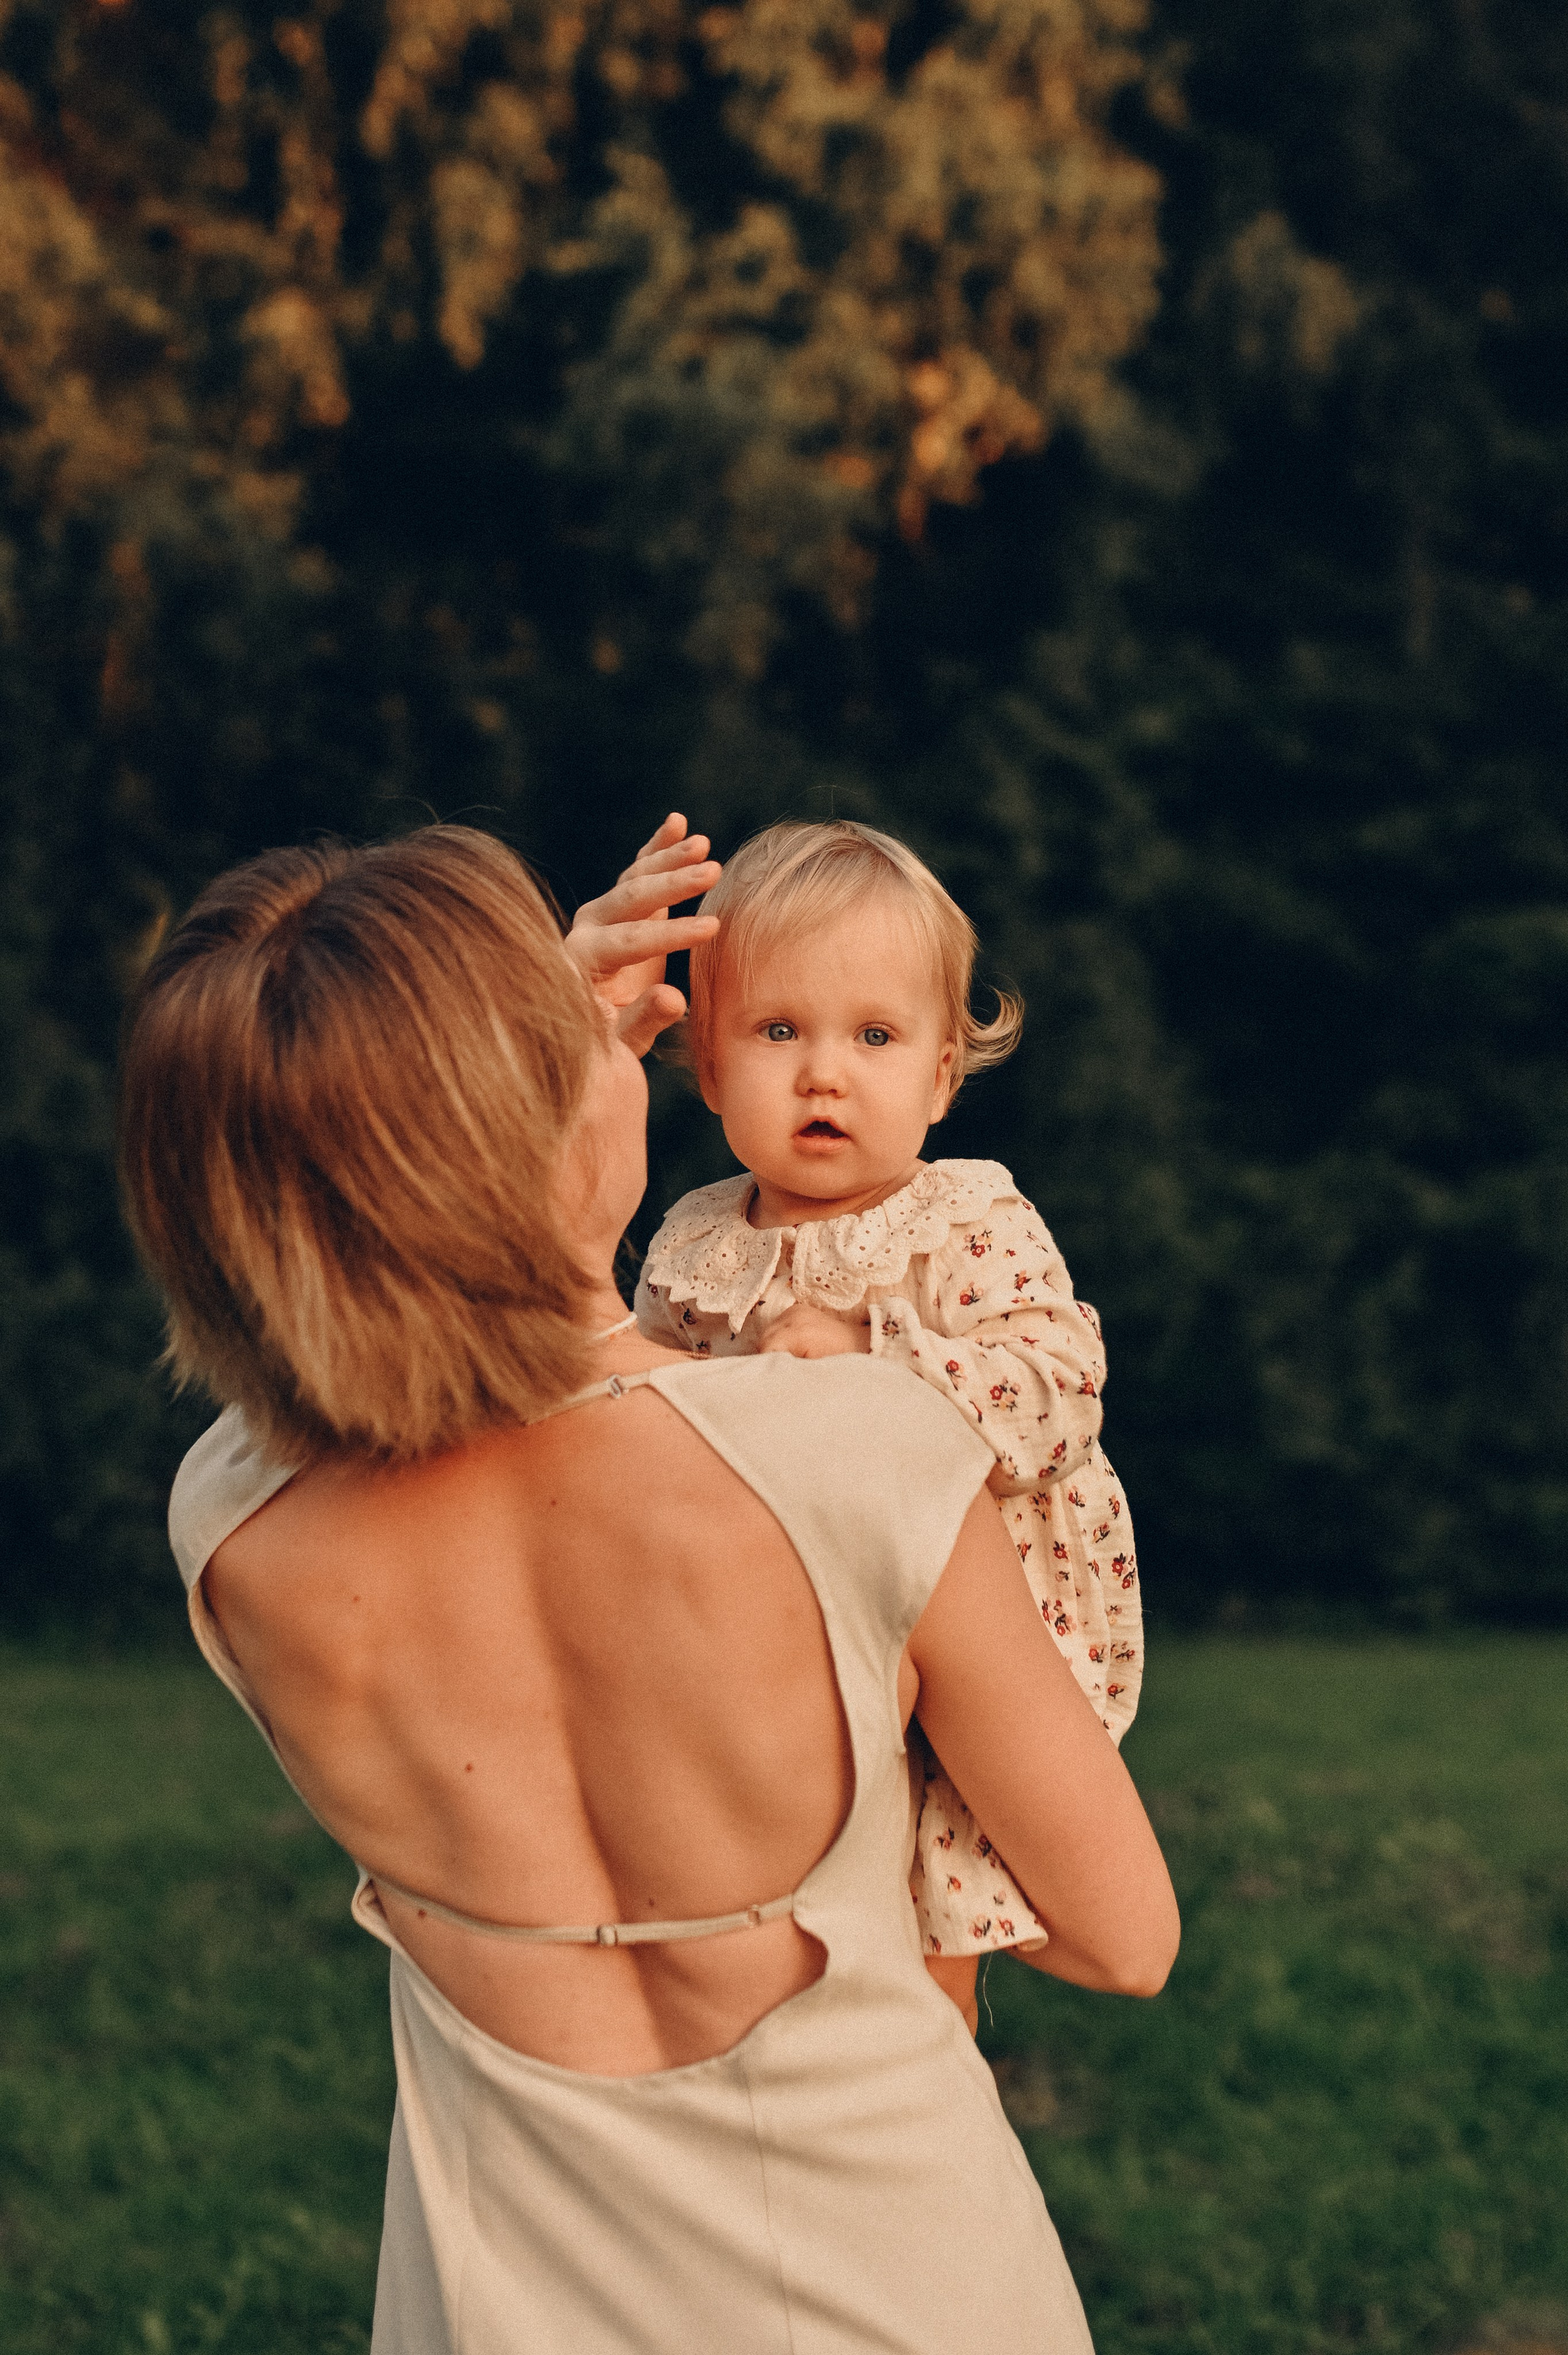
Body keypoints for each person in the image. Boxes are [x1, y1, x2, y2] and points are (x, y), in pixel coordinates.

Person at [119, 820, 1178, 2354]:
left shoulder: (235, 1524)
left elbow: (350, 1266)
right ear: (535, 1112)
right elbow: (1120, 1939)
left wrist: (462, 1060)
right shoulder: (854, 1450)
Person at [634, 818, 1143, 2033]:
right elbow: (637, 1422)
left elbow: (1060, 1382)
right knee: (776, 1920)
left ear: (936, 1080)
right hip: (779, 1631)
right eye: (776, 1032)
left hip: (974, 1634)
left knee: (927, 1928)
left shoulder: (962, 1220)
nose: (824, 1074)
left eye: (873, 1037)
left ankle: (935, 2100)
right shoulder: (695, 1246)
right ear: (705, 1068)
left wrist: (883, 1358)